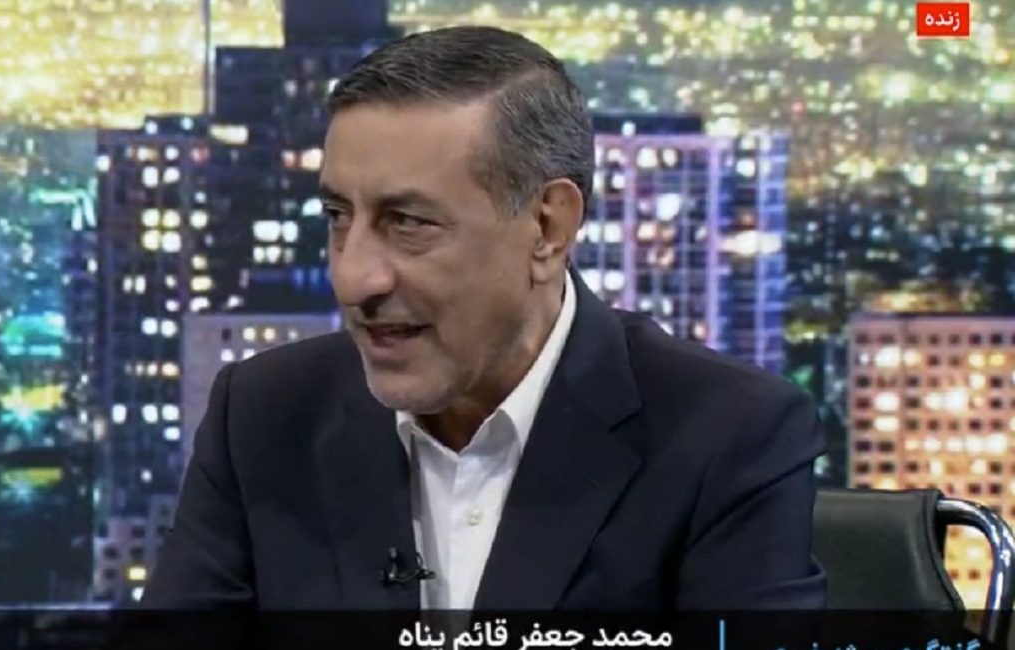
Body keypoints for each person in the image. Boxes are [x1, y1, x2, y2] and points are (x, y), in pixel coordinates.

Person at [142, 25, 825, 611]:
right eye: (337, 217)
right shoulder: (263, 416)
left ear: (547, 228)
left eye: (408, 222)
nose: (354, 277)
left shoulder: (725, 436)